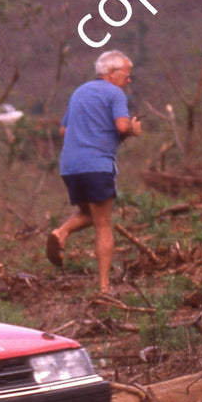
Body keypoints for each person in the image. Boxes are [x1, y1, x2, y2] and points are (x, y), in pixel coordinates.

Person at [47, 50, 141, 294]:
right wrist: (134, 129)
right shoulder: (115, 93)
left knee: (89, 213)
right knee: (103, 224)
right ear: (112, 73)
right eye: (126, 75)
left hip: (70, 165)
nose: (128, 80)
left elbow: (63, 131)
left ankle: (61, 232)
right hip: (96, 165)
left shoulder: (79, 92)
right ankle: (104, 286)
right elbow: (121, 125)